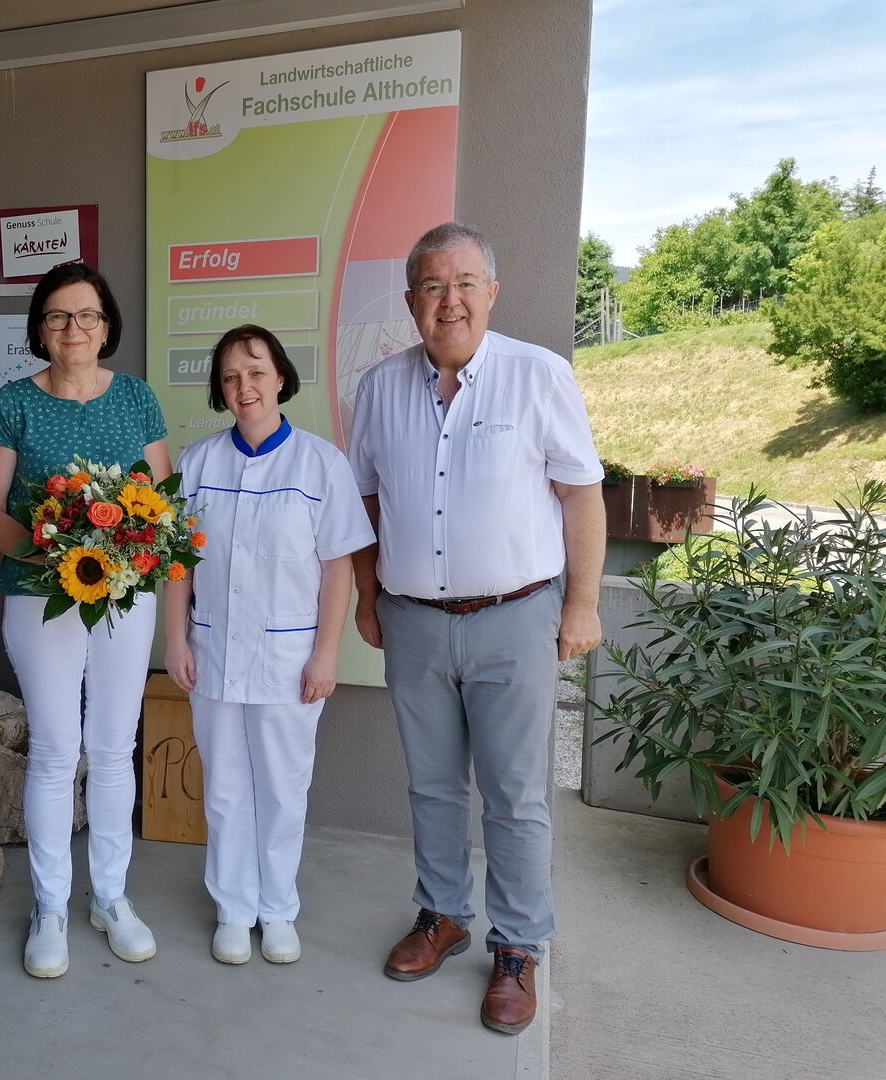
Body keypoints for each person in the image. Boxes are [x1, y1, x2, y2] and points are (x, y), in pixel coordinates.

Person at [347, 222, 605, 1035]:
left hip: (515, 620)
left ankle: (520, 946)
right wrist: (366, 598)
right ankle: (442, 916)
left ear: (491, 291)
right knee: (429, 784)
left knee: (516, 796)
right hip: (415, 621)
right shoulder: (379, 387)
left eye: (463, 283)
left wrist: (583, 604)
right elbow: (366, 503)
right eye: (431, 286)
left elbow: (582, 495)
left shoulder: (540, 376)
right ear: (411, 301)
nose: (448, 300)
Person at [0, 262, 172, 979]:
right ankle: (51, 906)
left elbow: (160, 504)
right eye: (57, 316)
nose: (73, 328)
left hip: (124, 593)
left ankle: (111, 898)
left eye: (86, 315)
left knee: (114, 748)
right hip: (39, 591)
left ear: (107, 325)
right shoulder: (13, 404)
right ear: (40, 331)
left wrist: (117, 552)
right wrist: (56, 550)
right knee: (57, 750)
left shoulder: (138, 398)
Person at [163, 325, 374, 966]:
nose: (244, 387)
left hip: (289, 661)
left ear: (280, 377)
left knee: (283, 789)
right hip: (215, 654)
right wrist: (175, 641)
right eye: (230, 377)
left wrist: (327, 653)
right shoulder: (198, 463)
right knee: (225, 788)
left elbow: (338, 566)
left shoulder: (320, 463)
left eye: (255, 372)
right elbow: (179, 564)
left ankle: (278, 908)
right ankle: (233, 908)